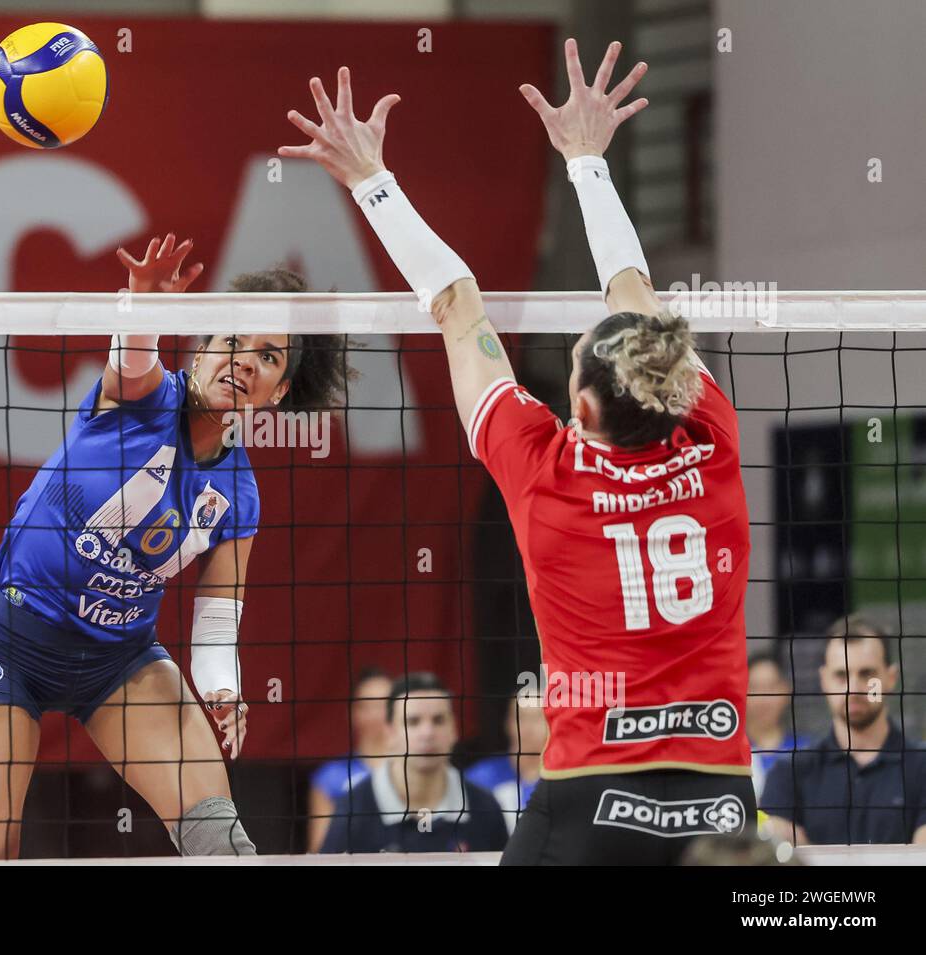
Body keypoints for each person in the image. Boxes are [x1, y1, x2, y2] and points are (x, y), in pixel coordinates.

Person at [282, 39, 754, 865]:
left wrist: (371, 180)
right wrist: (587, 161)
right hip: (716, 794)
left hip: (590, 801)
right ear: (670, 383)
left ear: (577, 404)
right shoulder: (710, 435)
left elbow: (457, 308)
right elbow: (634, 297)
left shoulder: (544, 470)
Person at [0, 235, 354, 858]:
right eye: (232, 341)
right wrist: (141, 305)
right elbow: (134, 354)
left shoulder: (239, 497)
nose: (244, 360)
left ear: (279, 392)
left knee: (223, 846)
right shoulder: (141, 400)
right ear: (202, 348)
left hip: (120, 663)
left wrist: (222, 688)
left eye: (268, 357)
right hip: (12, 642)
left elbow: (217, 621)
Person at [760, 615, 926, 845]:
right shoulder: (788, 773)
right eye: (841, 675)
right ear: (824, 680)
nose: (853, 688)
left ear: (891, 678)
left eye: (867, 674)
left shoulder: (922, 766)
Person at [319, 673, 507, 854]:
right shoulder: (353, 810)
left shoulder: (484, 807)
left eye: (438, 720)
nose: (427, 733)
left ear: (454, 730)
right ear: (390, 733)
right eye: (413, 722)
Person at [305, 666, 394, 852]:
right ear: (354, 713)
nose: (379, 713)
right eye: (370, 705)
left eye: (386, 704)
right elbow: (320, 850)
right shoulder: (331, 776)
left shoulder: (418, 771)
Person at [465, 698, 548, 835]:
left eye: (537, 718)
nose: (528, 727)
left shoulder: (564, 780)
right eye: (521, 718)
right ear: (508, 724)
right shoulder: (480, 776)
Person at [746, 647, 809, 799]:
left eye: (771, 687)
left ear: (787, 690)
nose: (763, 698)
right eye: (754, 688)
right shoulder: (729, 754)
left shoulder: (807, 749)